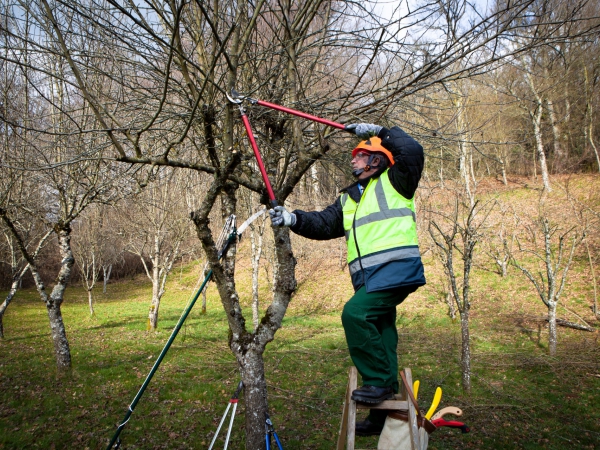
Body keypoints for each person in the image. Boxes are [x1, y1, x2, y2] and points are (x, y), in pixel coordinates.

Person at [269, 122, 426, 436]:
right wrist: (292, 218)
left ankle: (378, 383)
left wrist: (382, 131)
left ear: (376, 160)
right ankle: (381, 418)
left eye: (360, 155)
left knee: (355, 314)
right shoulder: (350, 198)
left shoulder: (398, 181)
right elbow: (325, 224)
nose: (352, 160)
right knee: (383, 336)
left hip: (395, 270)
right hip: (370, 279)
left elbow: (411, 150)